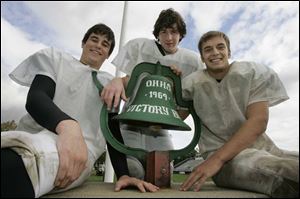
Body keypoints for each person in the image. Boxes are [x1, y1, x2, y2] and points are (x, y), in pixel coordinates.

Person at [1, 23, 159, 198]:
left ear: (107, 55)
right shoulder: (56, 59)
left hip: (78, 152)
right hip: (28, 135)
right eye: (94, 39)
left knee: (18, 163)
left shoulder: (109, 84)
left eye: (105, 44)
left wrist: (123, 174)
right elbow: (36, 98)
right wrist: (68, 127)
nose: (99, 45)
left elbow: (112, 131)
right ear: (83, 43)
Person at [179, 30, 299, 197]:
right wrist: (168, 80)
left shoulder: (250, 73)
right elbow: (175, 118)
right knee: (286, 172)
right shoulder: (192, 83)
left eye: (220, 47)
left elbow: (258, 121)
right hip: (225, 159)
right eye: (208, 49)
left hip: (264, 148)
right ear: (202, 57)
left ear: (229, 51)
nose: (215, 52)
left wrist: (216, 160)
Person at [101, 8, 204, 179]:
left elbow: (189, 100)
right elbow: (129, 79)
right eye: (164, 32)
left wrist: (174, 86)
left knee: (162, 174)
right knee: (132, 171)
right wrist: (117, 81)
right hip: (131, 121)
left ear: (181, 34)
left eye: (173, 32)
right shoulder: (142, 48)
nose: (169, 38)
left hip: (159, 127)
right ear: (158, 34)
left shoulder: (191, 62)